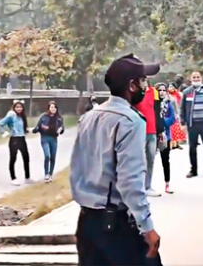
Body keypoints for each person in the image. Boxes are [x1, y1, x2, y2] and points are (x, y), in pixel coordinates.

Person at [70, 53, 162, 266]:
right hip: (115, 225)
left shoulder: (90, 116)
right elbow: (131, 182)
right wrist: (147, 227)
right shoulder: (131, 121)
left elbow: (76, 168)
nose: (146, 86)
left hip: (86, 223)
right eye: (143, 81)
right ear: (132, 85)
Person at [135, 81, 160, 197]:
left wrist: (161, 130)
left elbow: (157, 110)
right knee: (138, 160)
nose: (143, 82)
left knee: (150, 159)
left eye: (144, 80)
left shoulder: (153, 92)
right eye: (141, 80)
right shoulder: (134, 92)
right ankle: (137, 187)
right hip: (138, 131)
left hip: (152, 130)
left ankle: (147, 186)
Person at [0, 100, 31, 186]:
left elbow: (23, 128)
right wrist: (4, 132)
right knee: (13, 159)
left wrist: (27, 130)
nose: (19, 108)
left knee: (26, 158)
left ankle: (27, 178)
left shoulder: (22, 116)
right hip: (14, 140)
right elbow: (0, 124)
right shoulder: (11, 115)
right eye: (17, 107)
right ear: (14, 108)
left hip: (22, 139)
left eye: (20, 107)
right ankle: (13, 178)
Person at [32, 101, 64, 183]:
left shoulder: (59, 118)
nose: (53, 109)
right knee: (47, 156)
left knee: (53, 157)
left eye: (54, 107)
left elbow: (62, 128)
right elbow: (38, 127)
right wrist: (34, 130)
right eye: (51, 107)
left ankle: (50, 174)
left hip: (54, 139)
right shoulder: (44, 117)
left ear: (57, 109)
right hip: (45, 138)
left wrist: (60, 129)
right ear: (48, 108)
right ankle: (46, 174)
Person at [155, 83, 176, 194]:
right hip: (153, 134)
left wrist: (162, 123)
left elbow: (173, 118)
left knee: (165, 160)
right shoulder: (153, 103)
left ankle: (167, 184)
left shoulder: (169, 103)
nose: (162, 92)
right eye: (159, 90)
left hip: (165, 135)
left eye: (164, 90)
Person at [167, 83, 185, 150]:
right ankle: (172, 144)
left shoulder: (178, 95)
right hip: (170, 114)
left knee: (177, 129)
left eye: (172, 87)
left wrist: (179, 114)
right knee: (172, 129)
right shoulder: (167, 95)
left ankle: (177, 144)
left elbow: (180, 105)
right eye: (170, 87)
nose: (171, 88)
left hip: (177, 114)